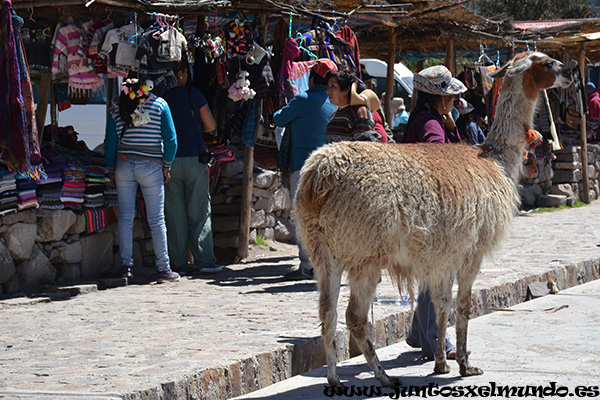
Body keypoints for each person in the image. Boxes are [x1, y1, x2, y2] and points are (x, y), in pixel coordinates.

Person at [403, 65, 467, 360]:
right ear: (440, 100)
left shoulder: (428, 121)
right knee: (440, 273)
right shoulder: (431, 125)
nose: (454, 103)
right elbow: (439, 160)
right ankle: (433, 339)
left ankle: (418, 332)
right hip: (433, 210)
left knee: (432, 273)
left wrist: (452, 129)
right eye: (451, 98)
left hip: (421, 207)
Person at [104, 78, 180, 283]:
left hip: (124, 166)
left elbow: (110, 141)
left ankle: (126, 266)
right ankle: (163, 269)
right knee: (156, 219)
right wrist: (167, 165)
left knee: (125, 217)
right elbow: (171, 139)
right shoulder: (160, 106)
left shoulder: (115, 107)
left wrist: (111, 168)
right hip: (151, 167)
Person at [273, 59, 338, 281]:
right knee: (324, 217)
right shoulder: (336, 102)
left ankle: (307, 264)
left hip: (301, 166)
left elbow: (278, 118)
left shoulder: (302, 99)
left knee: (303, 216)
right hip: (329, 168)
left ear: (311, 79)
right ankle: (327, 263)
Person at [161, 58, 222, 275]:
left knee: (174, 213)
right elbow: (211, 125)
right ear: (183, 73)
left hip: (169, 161)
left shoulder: (162, 98)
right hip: (195, 159)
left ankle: (177, 264)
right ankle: (205, 260)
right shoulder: (193, 94)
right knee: (199, 211)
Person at [325, 68, 379, 143]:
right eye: (329, 87)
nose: (328, 91)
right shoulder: (334, 115)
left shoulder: (360, 113)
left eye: (333, 86)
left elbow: (366, 148)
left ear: (346, 90)